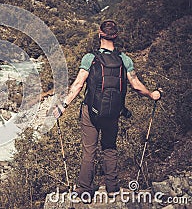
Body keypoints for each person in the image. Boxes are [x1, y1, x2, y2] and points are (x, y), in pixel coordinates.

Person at [53, 20, 161, 199]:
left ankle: (84, 190)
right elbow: (135, 85)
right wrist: (152, 95)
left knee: (89, 150)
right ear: (115, 36)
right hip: (113, 112)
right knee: (109, 148)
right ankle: (112, 188)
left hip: (91, 111)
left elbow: (78, 85)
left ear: (99, 33)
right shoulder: (124, 60)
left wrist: (63, 106)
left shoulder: (90, 58)